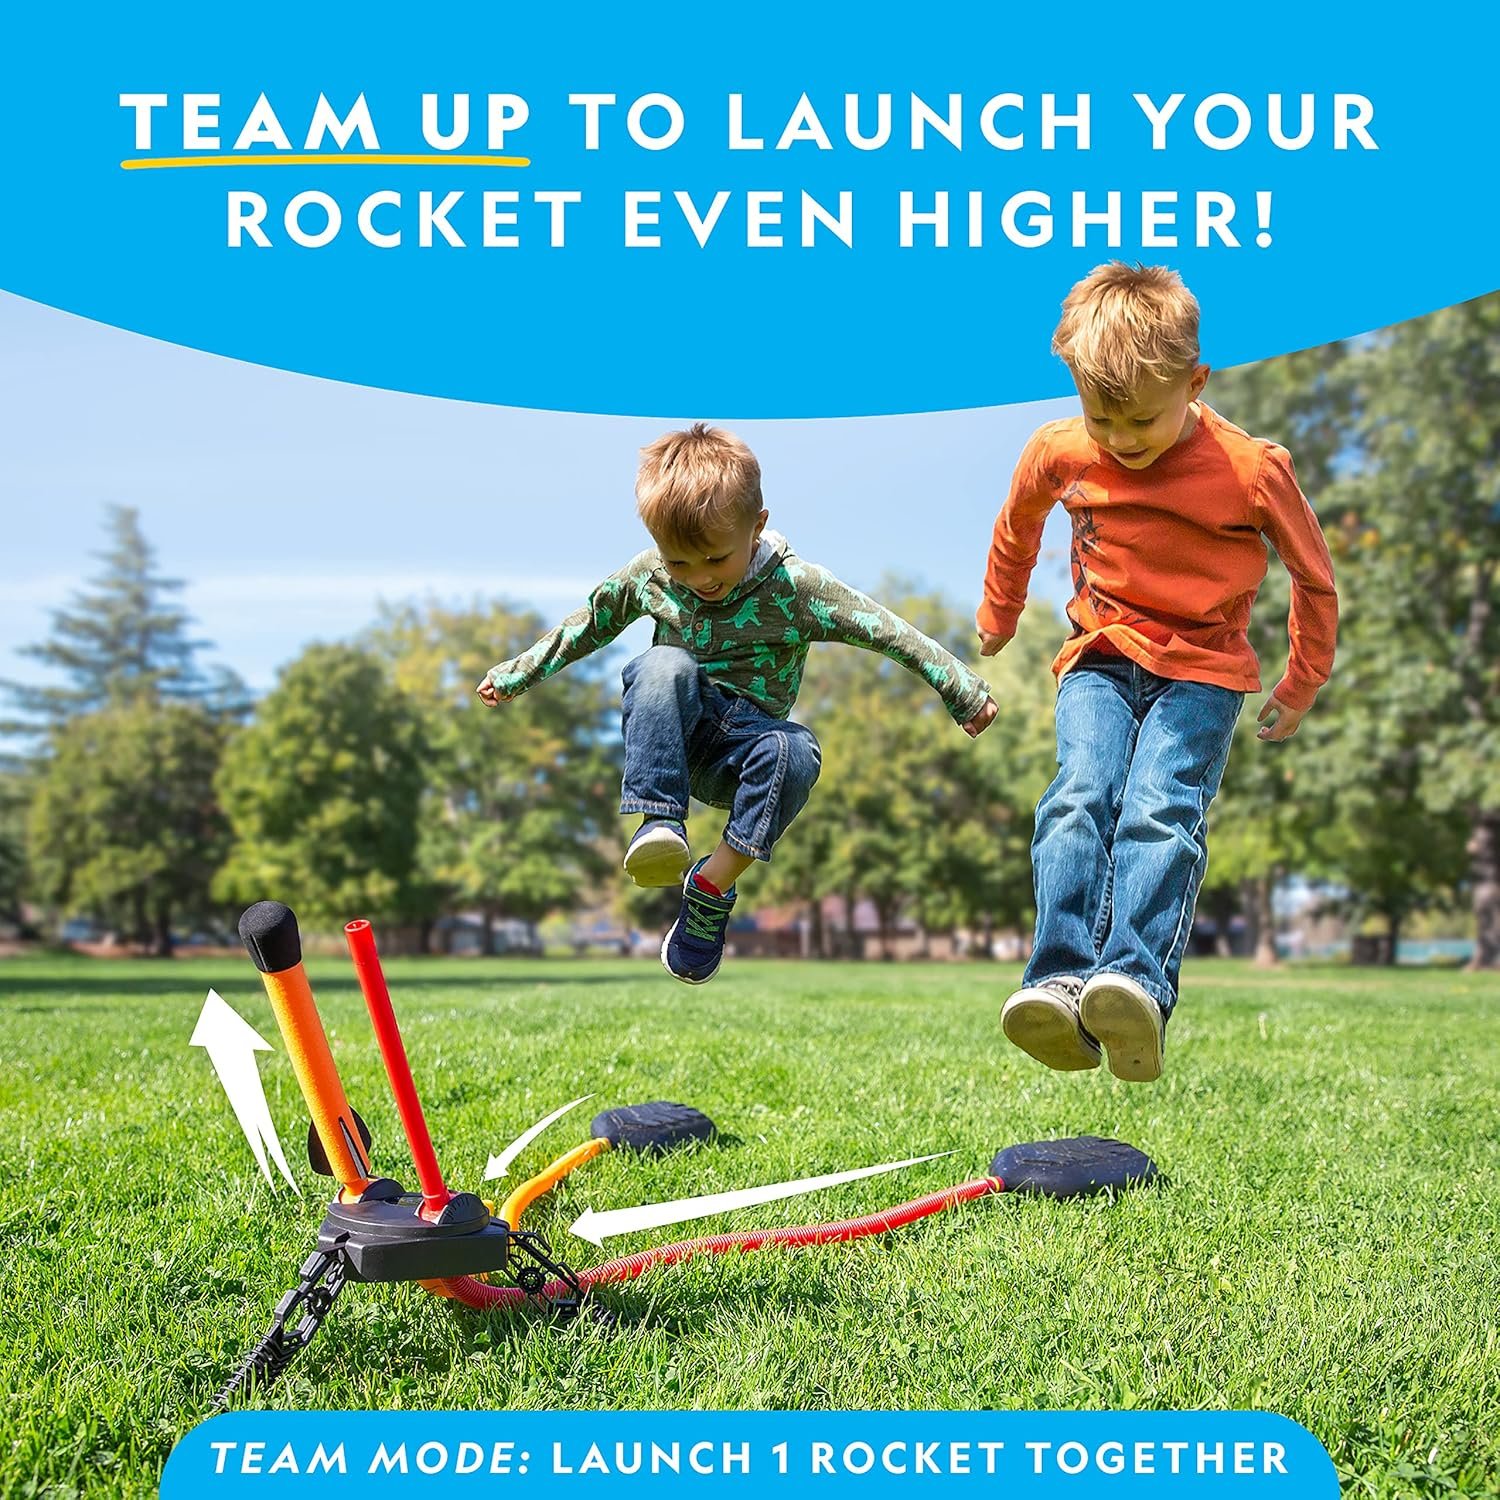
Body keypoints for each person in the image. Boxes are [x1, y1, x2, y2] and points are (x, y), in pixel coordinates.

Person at [979, 263, 1337, 1081]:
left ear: (1195, 381)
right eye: (1101, 417)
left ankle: (1134, 983)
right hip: (1099, 656)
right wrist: (998, 615)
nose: (1121, 440)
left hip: (1205, 669)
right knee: (1077, 799)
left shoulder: (1251, 469)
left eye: (1141, 419)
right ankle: (1059, 978)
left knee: (1156, 811)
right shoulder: (1061, 450)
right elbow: (1015, 528)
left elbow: (1313, 575)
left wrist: (1302, 678)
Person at [480, 423, 998, 984]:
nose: (698, 578)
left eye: (714, 560)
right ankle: (659, 825)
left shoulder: (796, 588)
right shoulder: (648, 576)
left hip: (743, 752)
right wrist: (517, 674)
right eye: (679, 563)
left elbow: (884, 629)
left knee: (797, 749)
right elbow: (587, 626)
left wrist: (960, 687)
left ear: (758, 527)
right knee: (663, 664)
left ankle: (710, 889)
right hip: (676, 737)